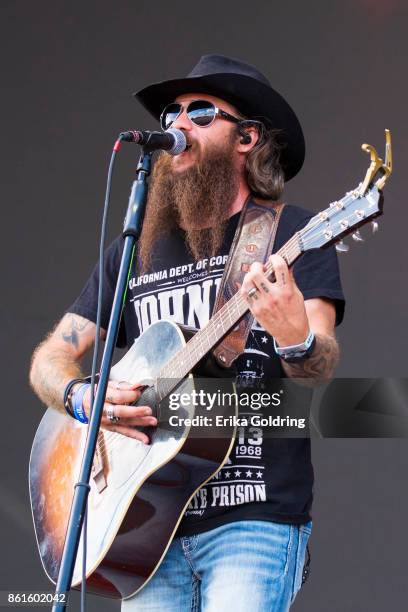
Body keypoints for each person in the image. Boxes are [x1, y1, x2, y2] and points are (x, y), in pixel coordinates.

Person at [29, 54, 344, 611]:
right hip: (147, 524)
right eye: (171, 113)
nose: (176, 123)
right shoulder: (135, 252)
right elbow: (52, 358)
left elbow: (317, 366)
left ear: (246, 138)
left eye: (201, 112)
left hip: (254, 517)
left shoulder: (291, 233)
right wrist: (83, 400)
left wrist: (293, 337)